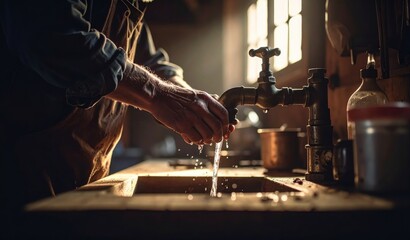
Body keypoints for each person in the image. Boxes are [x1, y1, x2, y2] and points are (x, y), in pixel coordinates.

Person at [0, 0, 235, 237]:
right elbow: (53, 34)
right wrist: (160, 94)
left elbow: (149, 60)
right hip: (19, 172)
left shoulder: (130, 5)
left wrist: (185, 97)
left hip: (85, 172)